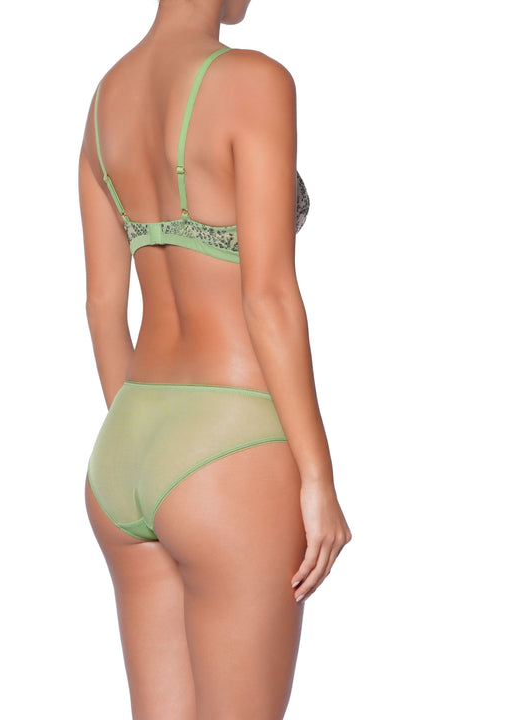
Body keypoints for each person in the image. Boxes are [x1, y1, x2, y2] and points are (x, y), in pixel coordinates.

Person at [79, 1, 352, 717]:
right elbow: (268, 296)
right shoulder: (254, 79)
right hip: (232, 443)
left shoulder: (105, 101)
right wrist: (318, 477)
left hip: (129, 445)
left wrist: (152, 444)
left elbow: (102, 306)